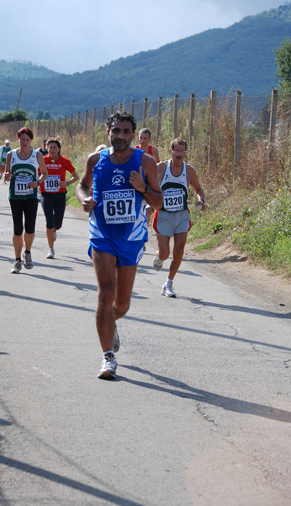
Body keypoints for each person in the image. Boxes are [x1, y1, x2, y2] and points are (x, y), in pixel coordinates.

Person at [76, 111, 163, 380]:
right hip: (101, 233)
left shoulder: (145, 162)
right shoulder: (96, 159)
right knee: (106, 292)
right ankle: (108, 358)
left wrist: (142, 189)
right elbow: (81, 186)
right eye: (116, 131)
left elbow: (158, 202)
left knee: (122, 304)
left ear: (133, 136)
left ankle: (111, 323)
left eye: (126, 132)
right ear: (108, 133)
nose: (121, 136)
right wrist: (85, 199)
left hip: (131, 236)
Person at [152, 138, 205, 298]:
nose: (179, 154)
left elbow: (198, 188)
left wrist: (200, 199)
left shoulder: (189, 170)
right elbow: (148, 184)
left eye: (182, 151)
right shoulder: (161, 168)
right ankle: (159, 257)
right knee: (164, 253)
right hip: (163, 215)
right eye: (177, 150)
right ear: (171, 151)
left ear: (185, 152)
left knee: (179, 251)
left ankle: (168, 283)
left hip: (182, 215)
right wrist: (149, 200)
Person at [4, 127, 48, 273]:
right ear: (18, 140)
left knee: (30, 228)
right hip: (15, 196)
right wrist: (6, 176)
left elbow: (44, 173)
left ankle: (27, 252)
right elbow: (7, 172)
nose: (24, 142)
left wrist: (38, 182)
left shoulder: (37, 155)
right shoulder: (11, 155)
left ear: (31, 141)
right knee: (17, 229)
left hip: (31, 196)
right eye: (22, 139)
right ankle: (17, 260)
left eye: (27, 140)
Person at [39, 137, 79, 259]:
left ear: (59, 149)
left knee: (58, 223)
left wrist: (67, 183)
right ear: (46, 148)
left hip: (60, 195)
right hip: (46, 194)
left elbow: (76, 176)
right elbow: (34, 173)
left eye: (54, 147)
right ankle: (51, 249)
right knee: (49, 221)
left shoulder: (65, 161)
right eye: (49, 147)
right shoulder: (42, 160)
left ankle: (54, 229)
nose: (52, 150)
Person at [135, 128, 160, 238]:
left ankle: (144, 232)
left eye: (145, 138)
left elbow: (157, 167)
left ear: (149, 139)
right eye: (140, 138)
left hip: (149, 183)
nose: (142, 140)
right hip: (137, 183)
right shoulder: (134, 150)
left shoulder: (153, 151)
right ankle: (138, 230)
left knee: (148, 210)